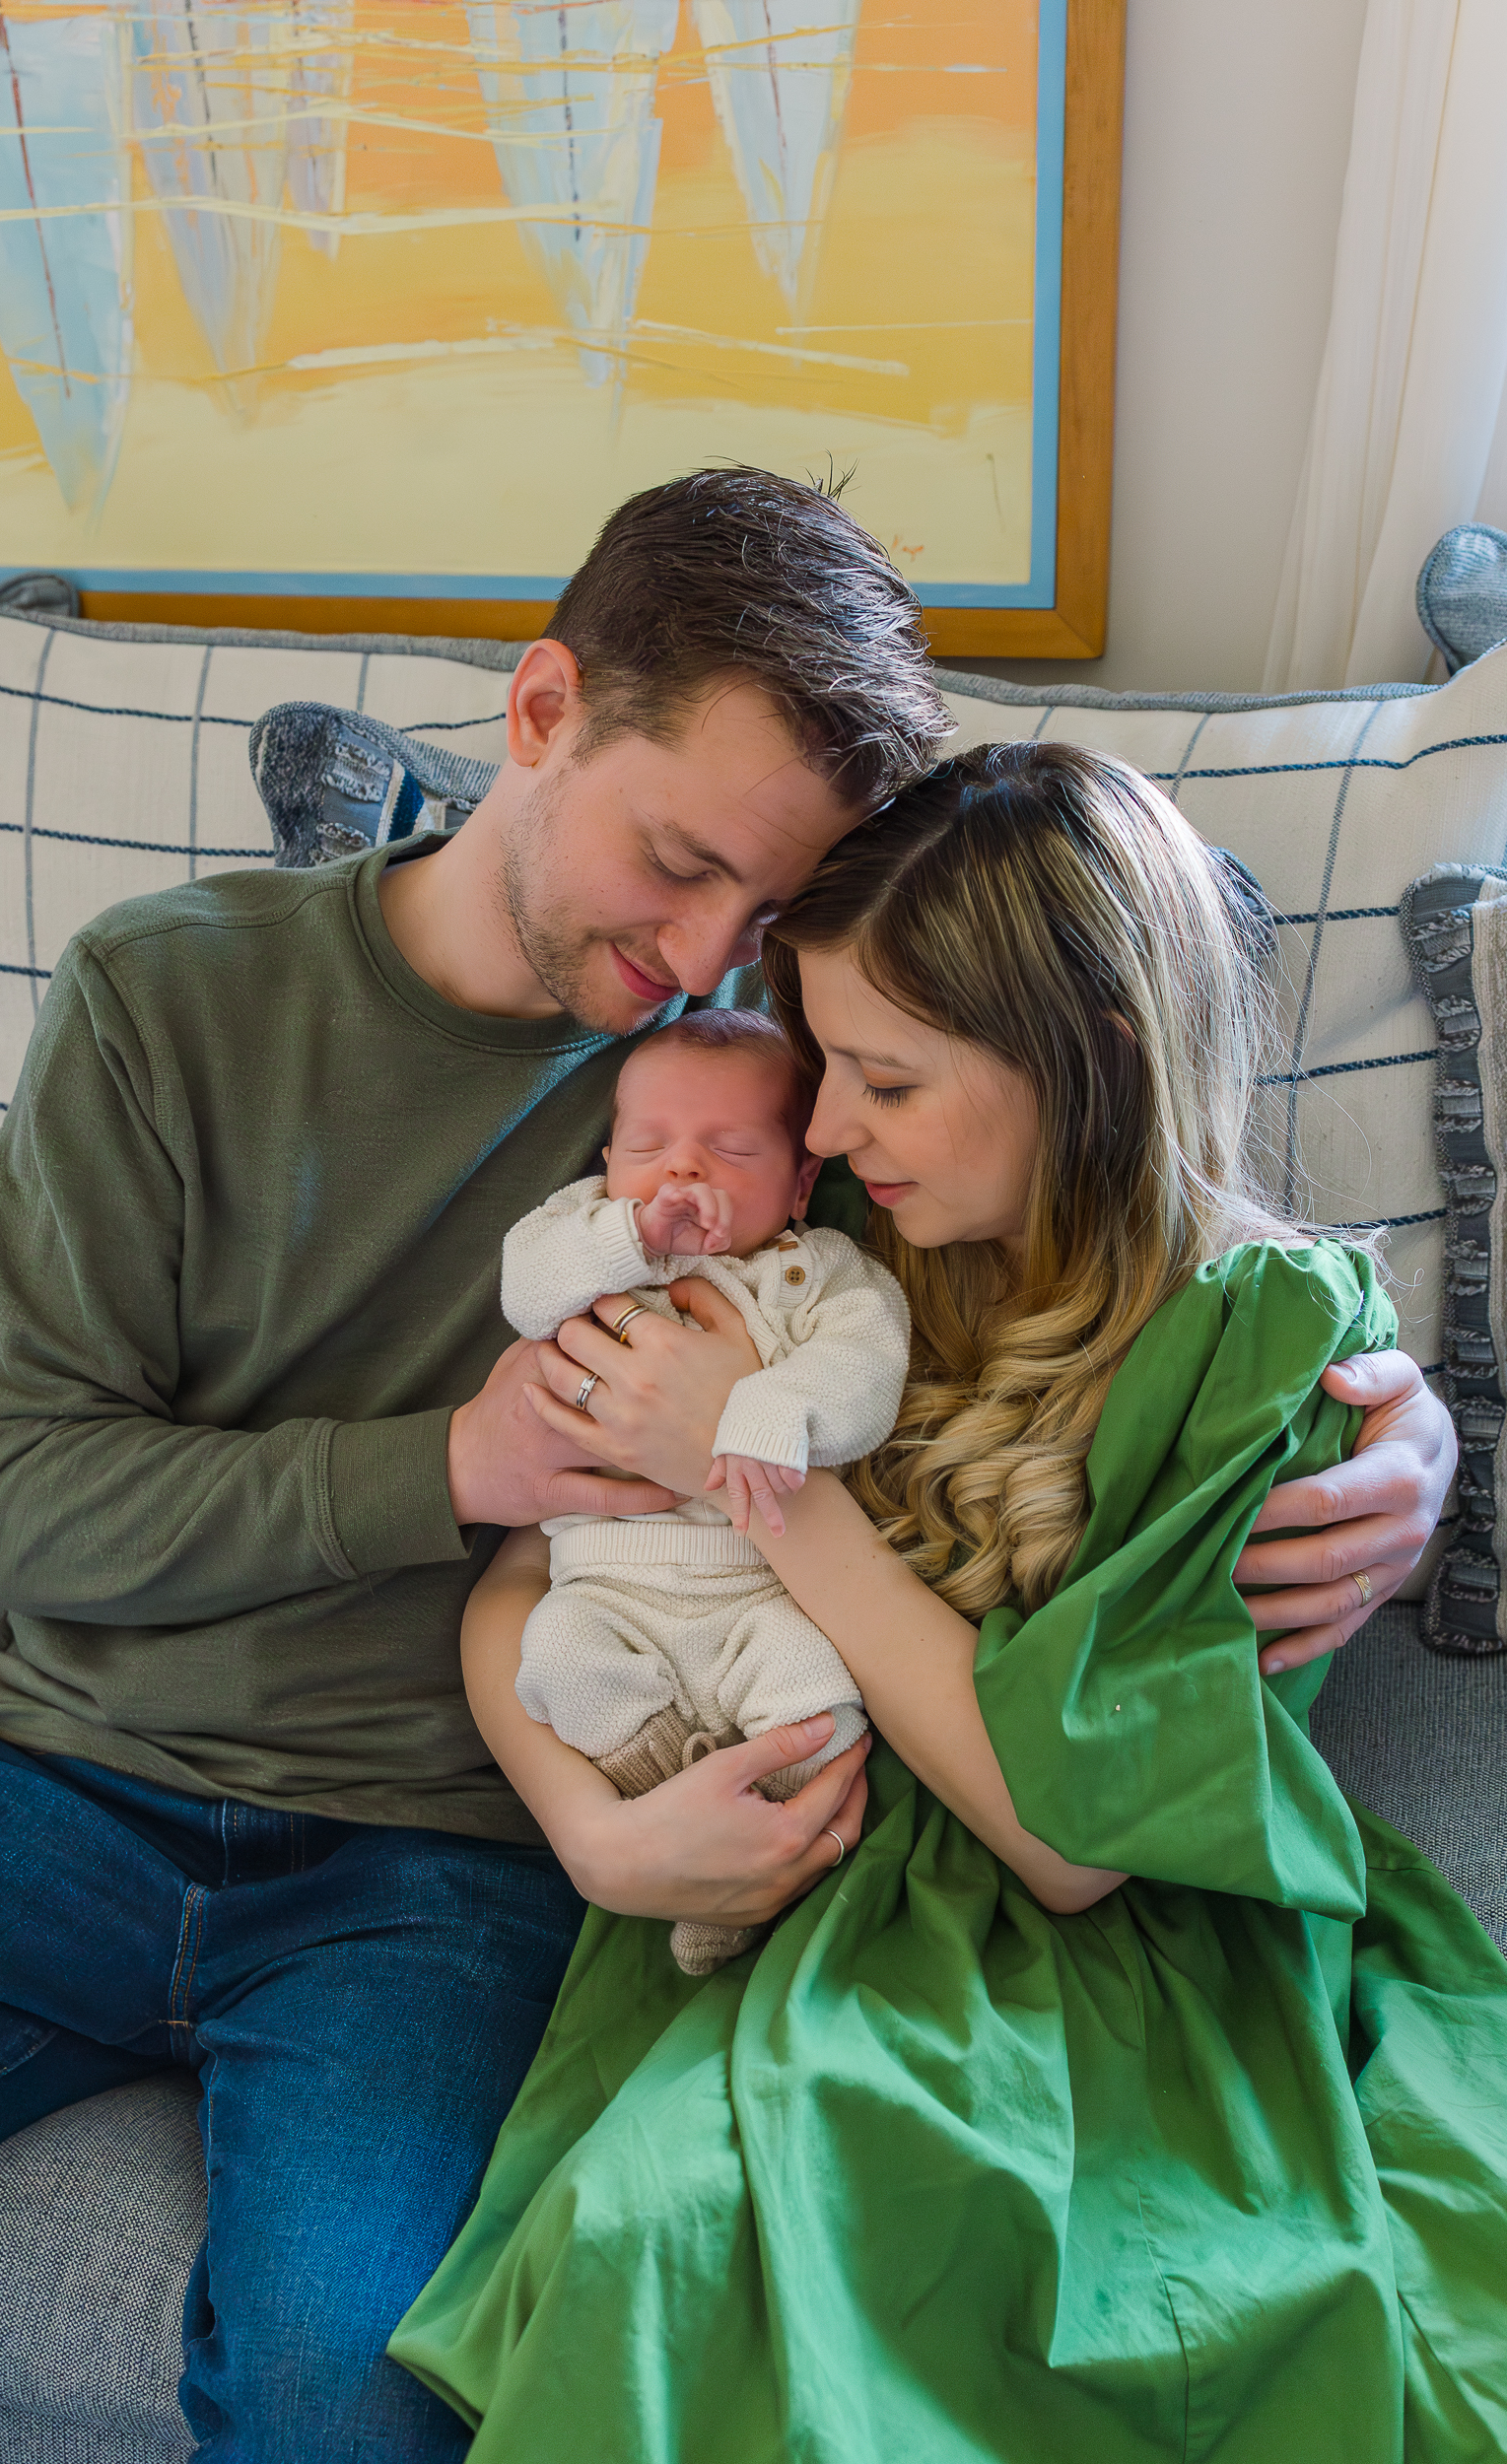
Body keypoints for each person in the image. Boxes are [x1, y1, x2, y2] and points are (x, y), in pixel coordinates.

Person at [0, 471, 1450, 2464]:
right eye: (676, 858)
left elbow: (1095, 1186)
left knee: (362, 2386)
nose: (706, 954)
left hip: (443, 1853)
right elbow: (14, 1498)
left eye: (763, 913)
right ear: (538, 712)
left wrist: (1408, 1414)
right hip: (60, 1777)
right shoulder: (164, 997)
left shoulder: (777, 1099)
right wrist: (459, 1457)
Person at [390, 743, 1506, 2463]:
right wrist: (590, 1837)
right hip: (793, 1889)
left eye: (881, 1081)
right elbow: (535, 1567)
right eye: (822, 1063)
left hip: (1094, 1966)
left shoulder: (1258, 1346)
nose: (819, 1125)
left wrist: (765, 1472)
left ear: (1092, 1064)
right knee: (643, 2247)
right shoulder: (830, 1228)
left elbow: (1072, 1846)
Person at [499, 1008, 911, 1972]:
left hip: (757, 1593)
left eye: (727, 1151)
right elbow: (525, 1289)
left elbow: (868, 1376)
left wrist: (777, 1408)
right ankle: (671, 1812)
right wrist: (625, 1235)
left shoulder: (817, 1274)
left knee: (818, 1706)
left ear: (800, 1181)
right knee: (556, 1655)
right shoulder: (585, 1239)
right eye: (648, 1145)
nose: (681, 1173)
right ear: (608, 1156)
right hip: (605, 1588)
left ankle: (762, 1861)